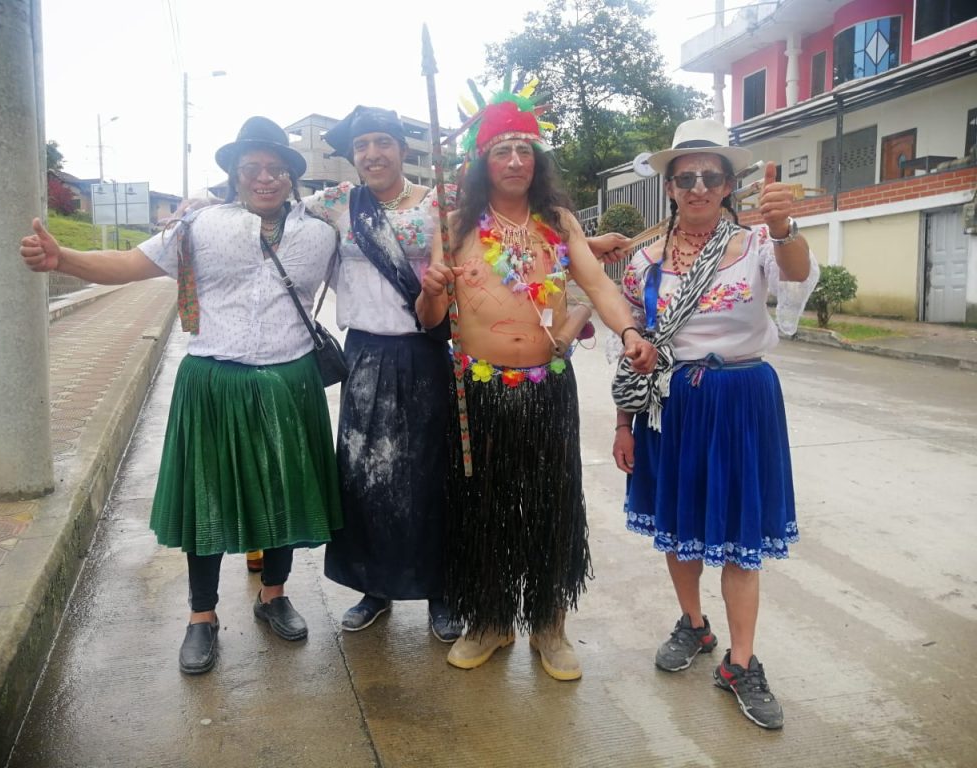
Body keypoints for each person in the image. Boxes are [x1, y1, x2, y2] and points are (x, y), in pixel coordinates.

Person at [19, 116, 343, 674]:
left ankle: (274, 596)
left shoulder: (322, 231)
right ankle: (201, 616)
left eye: (275, 168)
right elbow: (131, 264)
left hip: (292, 379)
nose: (264, 178)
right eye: (252, 169)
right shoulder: (197, 226)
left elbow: (368, 281)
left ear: (292, 176)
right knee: (208, 498)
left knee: (283, 492)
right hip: (213, 381)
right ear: (235, 176)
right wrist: (63, 260)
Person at [416, 94, 657, 681]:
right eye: (503, 150)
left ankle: (549, 624)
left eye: (526, 149)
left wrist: (627, 328)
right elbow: (429, 319)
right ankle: (491, 621)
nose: (516, 160)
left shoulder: (558, 223)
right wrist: (433, 287)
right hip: (479, 391)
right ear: (483, 162)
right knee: (484, 510)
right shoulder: (453, 227)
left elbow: (597, 282)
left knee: (550, 506)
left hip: (549, 387)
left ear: (538, 161)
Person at [611, 118, 818, 728]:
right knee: (679, 524)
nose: (698, 187)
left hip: (742, 398)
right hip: (670, 403)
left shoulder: (756, 246)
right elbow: (631, 346)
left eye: (711, 176)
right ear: (670, 186)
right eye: (686, 178)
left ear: (728, 184)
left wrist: (785, 226)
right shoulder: (643, 261)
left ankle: (742, 661)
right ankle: (694, 625)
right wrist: (624, 424)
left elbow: (799, 278)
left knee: (740, 534)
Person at [304, 105, 462, 642]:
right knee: (365, 475)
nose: (372, 154)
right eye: (361, 146)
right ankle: (375, 588)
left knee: (433, 474)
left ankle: (443, 589)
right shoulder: (336, 203)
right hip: (365, 355)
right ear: (352, 156)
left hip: (428, 352)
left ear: (401, 148)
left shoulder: (438, 201)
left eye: (382, 142)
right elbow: (273, 210)